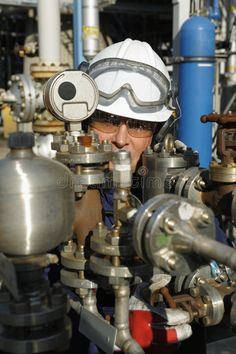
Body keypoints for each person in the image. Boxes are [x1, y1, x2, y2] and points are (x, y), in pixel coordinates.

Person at [74, 38, 173, 244]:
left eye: (138, 124)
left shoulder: (174, 197)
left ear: (159, 133)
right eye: (107, 121)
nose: (120, 140)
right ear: (85, 123)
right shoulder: (57, 192)